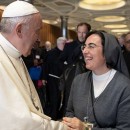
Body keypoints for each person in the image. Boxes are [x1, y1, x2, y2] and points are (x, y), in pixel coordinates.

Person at [0, 1, 69, 130]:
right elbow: (20, 122)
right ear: (19, 30)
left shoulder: (16, 55)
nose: (38, 39)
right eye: (37, 31)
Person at [63, 30, 130, 130]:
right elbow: (69, 112)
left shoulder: (124, 86)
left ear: (107, 51)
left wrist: (86, 129)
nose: (85, 51)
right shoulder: (78, 81)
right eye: (84, 46)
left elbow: (124, 128)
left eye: (91, 46)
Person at [59, 22, 91, 116]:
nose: (81, 35)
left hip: (88, 78)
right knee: (69, 101)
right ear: (77, 32)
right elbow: (60, 61)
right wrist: (68, 69)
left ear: (88, 32)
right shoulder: (69, 46)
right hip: (71, 80)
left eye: (84, 32)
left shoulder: (91, 46)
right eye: (79, 32)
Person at [42, 37, 67, 120]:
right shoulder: (51, 53)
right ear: (60, 43)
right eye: (65, 43)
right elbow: (45, 66)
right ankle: (52, 116)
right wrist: (44, 78)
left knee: (60, 99)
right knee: (53, 98)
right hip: (52, 79)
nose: (66, 45)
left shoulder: (66, 53)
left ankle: (58, 115)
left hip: (63, 79)